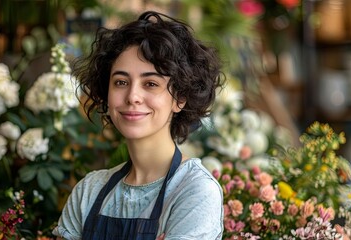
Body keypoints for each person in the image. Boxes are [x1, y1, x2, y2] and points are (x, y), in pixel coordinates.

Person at [52, 10, 225, 240]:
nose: (132, 96)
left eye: (151, 83)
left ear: (180, 98)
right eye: (121, 82)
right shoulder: (89, 191)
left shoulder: (194, 191)